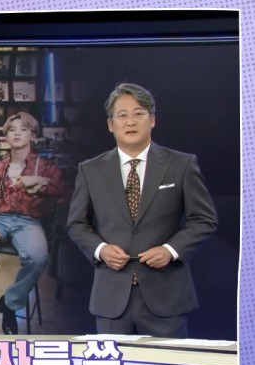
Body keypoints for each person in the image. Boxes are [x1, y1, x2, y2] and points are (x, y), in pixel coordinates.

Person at [67, 83, 217, 337]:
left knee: (166, 364)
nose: (130, 121)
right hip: (111, 297)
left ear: (152, 119)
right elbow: (77, 224)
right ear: (110, 124)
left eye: (139, 113)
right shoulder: (90, 170)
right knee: (114, 364)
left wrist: (170, 250)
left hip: (166, 296)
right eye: (122, 115)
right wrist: (101, 249)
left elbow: (204, 219)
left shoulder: (181, 164)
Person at [0, 112, 65, 334]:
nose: (17, 133)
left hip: (29, 222)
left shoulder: (45, 166)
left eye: (23, 129)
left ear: (33, 135)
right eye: (12, 130)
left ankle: (10, 303)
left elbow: (64, 193)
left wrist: (40, 182)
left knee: (37, 257)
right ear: (5, 136)